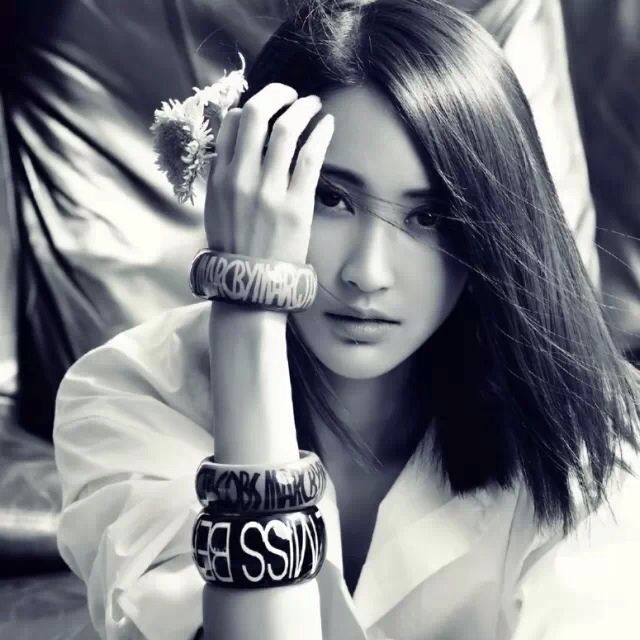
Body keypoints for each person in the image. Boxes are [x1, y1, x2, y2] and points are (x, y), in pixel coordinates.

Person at [53, 1, 640, 639]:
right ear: (248, 187)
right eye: (330, 198)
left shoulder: (594, 431)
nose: (368, 272)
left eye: (429, 217)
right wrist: (250, 303)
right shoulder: (127, 395)